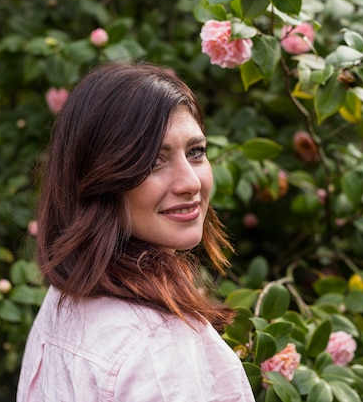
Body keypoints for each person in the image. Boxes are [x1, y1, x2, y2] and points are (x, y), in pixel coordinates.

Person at [17, 62, 256, 402]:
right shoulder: (159, 345)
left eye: (196, 152)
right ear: (101, 180)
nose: (190, 182)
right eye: (153, 161)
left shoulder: (65, 301)